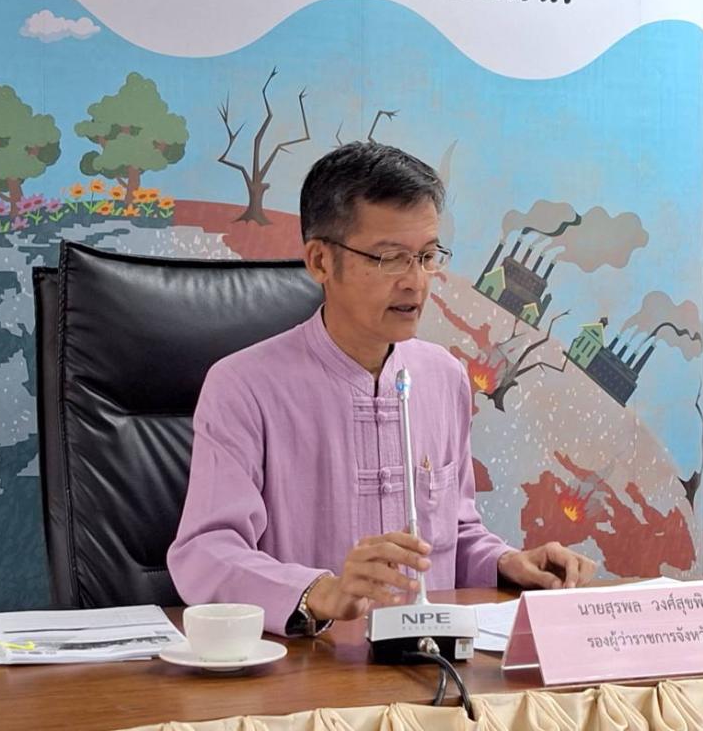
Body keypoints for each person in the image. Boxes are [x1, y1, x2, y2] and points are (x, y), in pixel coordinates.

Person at [169, 142, 597, 637]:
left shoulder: (444, 376)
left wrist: (506, 562)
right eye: (391, 258)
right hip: (311, 661)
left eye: (427, 257)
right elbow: (205, 552)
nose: (416, 282)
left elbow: (455, 534)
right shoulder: (243, 386)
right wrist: (320, 592)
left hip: (431, 659)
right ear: (320, 261)